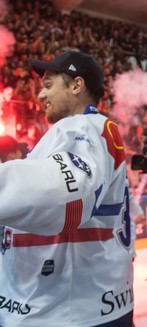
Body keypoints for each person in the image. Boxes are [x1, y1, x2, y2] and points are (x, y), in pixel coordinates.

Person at [0, 50, 134, 326]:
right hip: (74, 304)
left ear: (76, 85)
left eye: (48, 85)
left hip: (68, 310)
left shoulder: (85, 126)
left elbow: (65, 194)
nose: (40, 96)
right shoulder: (82, 130)